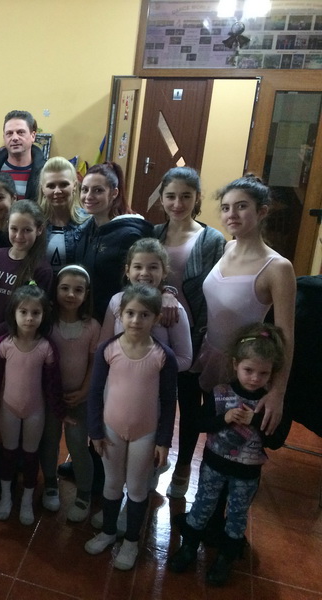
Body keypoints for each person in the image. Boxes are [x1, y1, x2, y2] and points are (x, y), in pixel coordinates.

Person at [168, 323, 286, 586]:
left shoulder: (270, 404)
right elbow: (199, 423)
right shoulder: (221, 393)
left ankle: (225, 558)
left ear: (272, 373)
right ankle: (188, 548)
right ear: (235, 364)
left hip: (246, 474)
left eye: (263, 373)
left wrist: (257, 421)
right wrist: (224, 418)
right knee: (201, 506)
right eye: (248, 370)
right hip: (213, 466)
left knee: (236, 516)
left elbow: (277, 441)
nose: (254, 378)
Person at [85, 284, 177, 571]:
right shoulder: (107, 349)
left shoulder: (163, 356)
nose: (136, 320)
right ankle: (108, 532)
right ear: (120, 315)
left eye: (144, 315)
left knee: (137, 489)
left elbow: (169, 401)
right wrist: (95, 431)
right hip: (110, 430)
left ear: (157, 318)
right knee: (112, 484)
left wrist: (163, 441)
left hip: (145, 434)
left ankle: (132, 542)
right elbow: (95, 392)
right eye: (131, 313)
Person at [194, 175, 295, 436]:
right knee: (211, 429)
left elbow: (286, 335)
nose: (231, 214)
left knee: (235, 439)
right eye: (226, 207)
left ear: (262, 211)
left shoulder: (278, 267)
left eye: (241, 206)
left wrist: (278, 392)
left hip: (244, 369)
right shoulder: (228, 248)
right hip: (210, 356)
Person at [152, 167, 226, 498]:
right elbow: (142, 276)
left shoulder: (212, 240)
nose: (177, 203)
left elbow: (214, 291)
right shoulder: (154, 233)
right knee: (156, 401)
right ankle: (155, 459)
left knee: (189, 403)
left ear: (197, 198)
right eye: (170, 196)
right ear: (162, 199)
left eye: (185, 196)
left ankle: (183, 467)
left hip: (194, 335)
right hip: (154, 334)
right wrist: (164, 291)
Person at [0, 284, 63, 525]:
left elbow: (53, 384)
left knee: (30, 455)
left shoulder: (46, 347)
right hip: (9, 409)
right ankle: (6, 497)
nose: (29, 318)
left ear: (43, 315)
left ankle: (26, 500)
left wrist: (60, 412)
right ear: (13, 313)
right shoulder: (3, 344)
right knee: (8, 454)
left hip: (36, 411)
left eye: (35, 313)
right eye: (23, 312)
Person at [39, 265, 100, 521]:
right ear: (56, 290)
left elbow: (94, 363)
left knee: (77, 444)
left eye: (78, 290)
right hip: (50, 397)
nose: (71, 294)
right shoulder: (47, 322)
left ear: (87, 294)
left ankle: (84, 493)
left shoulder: (92, 326)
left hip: (78, 398)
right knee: (49, 440)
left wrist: (84, 391)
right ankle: (50, 484)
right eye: (64, 288)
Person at [74, 162, 155, 321]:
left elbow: (140, 284)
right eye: (85, 189)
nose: (89, 196)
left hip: (116, 320)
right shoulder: (87, 228)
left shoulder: (130, 235)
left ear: (114, 193)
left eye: (98, 190)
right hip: (87, 318)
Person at [0, 200, 52, 351]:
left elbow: (32, 316)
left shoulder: (41, 270)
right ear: (7, 226)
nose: (19, 236)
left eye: (27, 230)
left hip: (13, 345)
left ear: (39, 229)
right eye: (14, 229)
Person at [100, 239, 193, 372]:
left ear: (164, 272)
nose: (144, 273)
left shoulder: (172, 309)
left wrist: (148, 367)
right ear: (127, 271)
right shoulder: (116, 301)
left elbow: (185, 359)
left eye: (153, 267)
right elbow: (103, 345)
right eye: (138, 267)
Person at [0, 110, 45, 200]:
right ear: (4, 138)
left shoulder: (46, 172)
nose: (14, 138)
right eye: (9, 133)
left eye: (20, 132)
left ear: (33, 136)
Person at [37, 156, 86, 273]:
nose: (57, 191)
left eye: (64, 184)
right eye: (51, 186)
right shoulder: (33, 221)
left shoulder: (88, 222)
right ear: (42, 188)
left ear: (74, 186)